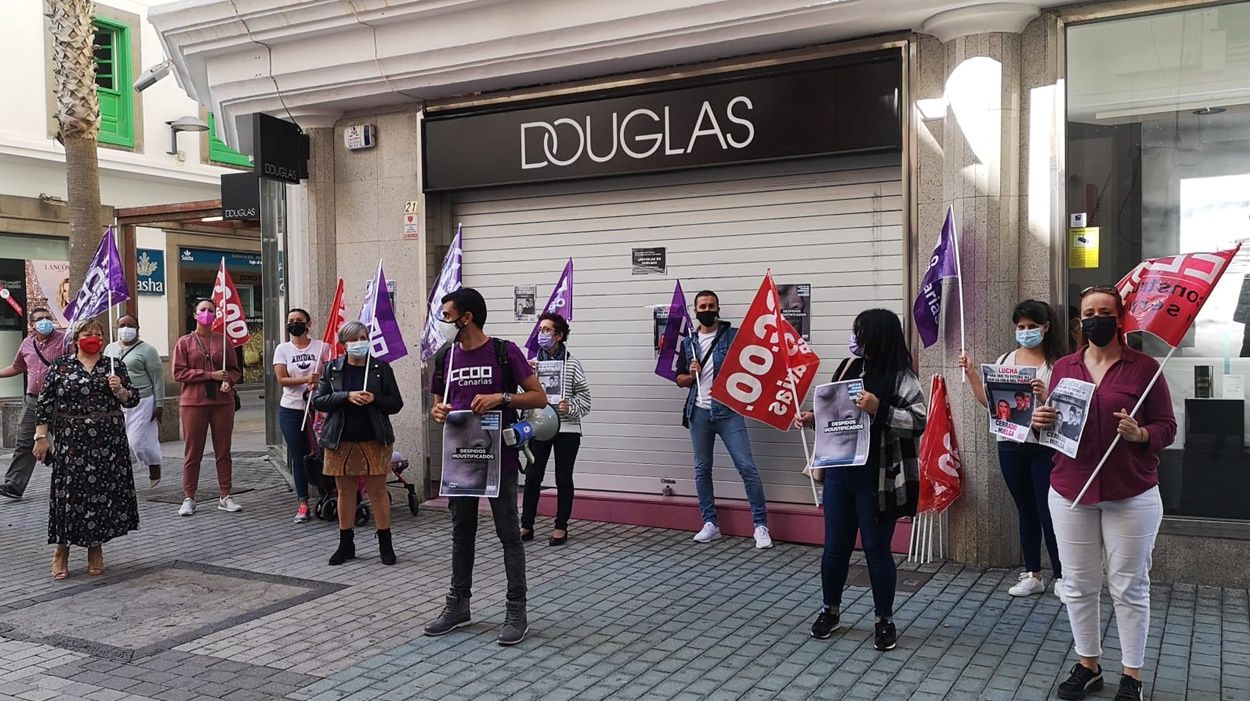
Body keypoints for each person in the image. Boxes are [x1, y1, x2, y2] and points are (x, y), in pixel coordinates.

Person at [1032, 285, 1176, 701]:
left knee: (1129, 585)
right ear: (1080, 321)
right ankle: (1088, 664)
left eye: (1104, 311)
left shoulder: (1146, 368)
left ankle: (1132, 675)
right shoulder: (1063, 367)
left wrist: (1141, 433)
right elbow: (1055, 428)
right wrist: (1041, 421)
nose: (1096, 318)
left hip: (1131, 493)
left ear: (1120, 318)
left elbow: (1167, 426)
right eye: (1088, 312)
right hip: (1070, 490)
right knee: (1078, 584)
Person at [798, 309, 926, 651]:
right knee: (835, 549)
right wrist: (813, 418)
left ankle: (884, 619)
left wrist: (878, 408)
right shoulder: (848, 367)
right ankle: (830, 609)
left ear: (878, 336)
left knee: (876, 550)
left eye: (861, 332)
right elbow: (837, 412)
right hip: (841, 473)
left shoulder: (902, 377)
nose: (855, 339)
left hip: (878, 478)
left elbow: (918, 421)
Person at [425, 287, 546, 646]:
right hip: (460, 459)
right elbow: (437, 407)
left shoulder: (504, 352)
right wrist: (437, 412)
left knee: (509, 532)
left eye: (447, 316)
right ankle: (458, 604)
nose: (442, 322)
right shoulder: (445, 358)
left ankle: (516, 610)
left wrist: (501, 397)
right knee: (462, 532)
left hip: (499, 458)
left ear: (467, 317)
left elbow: (538, 396)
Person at [958, 299, 1067, 600]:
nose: (1026, 331)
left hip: (1046, 448)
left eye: (1032, 326)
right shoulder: (1005, 360)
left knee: (1050, 512)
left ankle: (1063, 575)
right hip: (1010, 445)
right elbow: (991, 405)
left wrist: (1045, 396)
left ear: (1046, 327)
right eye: (1021, 327)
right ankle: (1033, 574)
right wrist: (971, 374)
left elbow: (1069, 412)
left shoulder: (1058, 365)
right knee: (1026, 510)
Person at [34, 318, 140, 579]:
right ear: (76, 338)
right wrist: (41, 437)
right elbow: (45, 403)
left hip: (108, 441)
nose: (93, 337)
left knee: (100, 493)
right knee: (69, 494)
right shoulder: (61, 366)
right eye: (88, 333)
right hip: (73, 439)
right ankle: (62, 549)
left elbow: (133, 399)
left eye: (98, 333)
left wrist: (121, 391)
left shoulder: (113, 365)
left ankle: (96, 548)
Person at [674, 290, 772, 548]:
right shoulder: (689, 343)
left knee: (746, 467)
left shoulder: (733, 336)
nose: (707, 309)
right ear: (695, 311)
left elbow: (756, 362)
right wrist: (689, 373)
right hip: (698, 412)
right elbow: (680, 379)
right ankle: (710, 523)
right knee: (702, 469)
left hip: (728, 411)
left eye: (711, 305)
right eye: (702, 306)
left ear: (718, 308)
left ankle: (760, 525)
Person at [311, 321, 403, 566]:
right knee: (345, 491)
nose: (360, 342)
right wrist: (346, 396)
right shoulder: (332, 369)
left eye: (363, 337)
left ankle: (385, 543)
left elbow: (395, 403)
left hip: (374, 438)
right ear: (343, 344)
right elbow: (319, 401)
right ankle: (346, 543)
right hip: (341, 439)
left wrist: (375, 398)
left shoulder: (381, 369)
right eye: (354, 339)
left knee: (377, 491)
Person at [520, 312, 592, 546]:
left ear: (559, 335)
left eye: (547, 330)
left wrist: (570, 406)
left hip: (567, 429)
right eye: (540, 330)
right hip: (540, 427)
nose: (542, 334)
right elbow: (523, 397)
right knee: (532, 476)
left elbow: (586, 400)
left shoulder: (572, 364)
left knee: (563, 477)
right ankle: (526, 524)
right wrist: (526, 378)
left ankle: (561, 526)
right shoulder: (532, 364)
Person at [173, 299, 243, 516]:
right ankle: (189, 497)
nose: (206, 313)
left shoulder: (224, 342)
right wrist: (208, 375)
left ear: (216, 315)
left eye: (211, 310)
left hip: (222, 402)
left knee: (223, 450)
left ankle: (225, 495)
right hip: (193, 402)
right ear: (195, 314)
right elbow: (178, 373)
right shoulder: (184, 342)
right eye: (202, 310)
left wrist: (228, 380)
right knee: (193, 452)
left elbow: (235, 370)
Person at [0, 308, 69, 500]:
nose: (45, 322)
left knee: (67, 443)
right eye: (40, 319)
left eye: (48, 318)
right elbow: (17, 367)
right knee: (24, 442)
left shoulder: (65, 340)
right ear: (32, 324)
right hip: (33, 401)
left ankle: (71, 483)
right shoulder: (27, 343)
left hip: (59, 400)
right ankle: (14, 485)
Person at [273, 308, 328, 523]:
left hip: (319, 409)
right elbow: (282, 379)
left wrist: (320, 379)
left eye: (299, 320)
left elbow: (333, 372)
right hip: (292, 409)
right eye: (291, 321)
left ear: (308, 323)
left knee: (324, 454)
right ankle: (303, 502)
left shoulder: (323, 347)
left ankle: (327, 494)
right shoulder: (282, 349)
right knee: (299, 457)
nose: (294, 324)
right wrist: (306, 379)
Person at [105, 314, 165, 489]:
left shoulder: (147, 350)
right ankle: (122, 474)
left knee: (136, 441)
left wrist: (159, 404)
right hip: (118, 400)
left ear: (137, 329)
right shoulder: (110, 349)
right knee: (120, 440)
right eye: (122, 325)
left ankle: (153, 465)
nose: (126, 329)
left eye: (130, 325)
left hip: (143, 400)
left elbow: (158, 378)